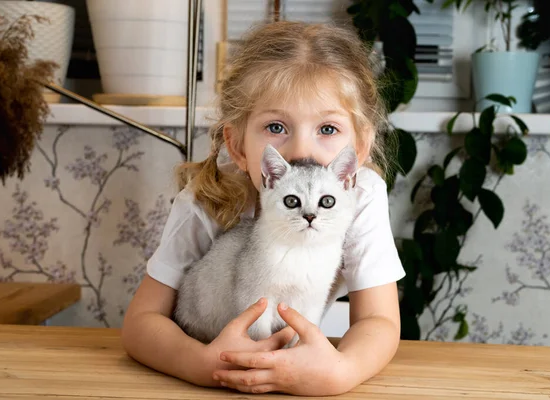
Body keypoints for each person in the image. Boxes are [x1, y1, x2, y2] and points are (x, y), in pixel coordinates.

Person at [121, 20, 406, 396]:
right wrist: (203, 365)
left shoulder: (361, 195)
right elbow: (141, 323)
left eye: (327, 129)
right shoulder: (207, 196)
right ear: (237, 145)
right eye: (276, 126)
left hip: (296, 364)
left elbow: (378, 320)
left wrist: (343, 371)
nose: (301, 150)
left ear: (360, 148)